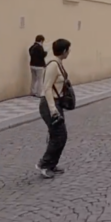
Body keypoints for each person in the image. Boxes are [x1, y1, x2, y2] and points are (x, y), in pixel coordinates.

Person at [38, 39, 72, 178]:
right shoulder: (53, 65)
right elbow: (46, 88)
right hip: (49, 104)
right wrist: (53, 109)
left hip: (56, 103)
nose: (69, 52)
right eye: (68, 49)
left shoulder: (58, 63)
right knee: (59, 136)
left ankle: (52, 164)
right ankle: (44, 165)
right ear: (64, 51)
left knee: (58, 135)